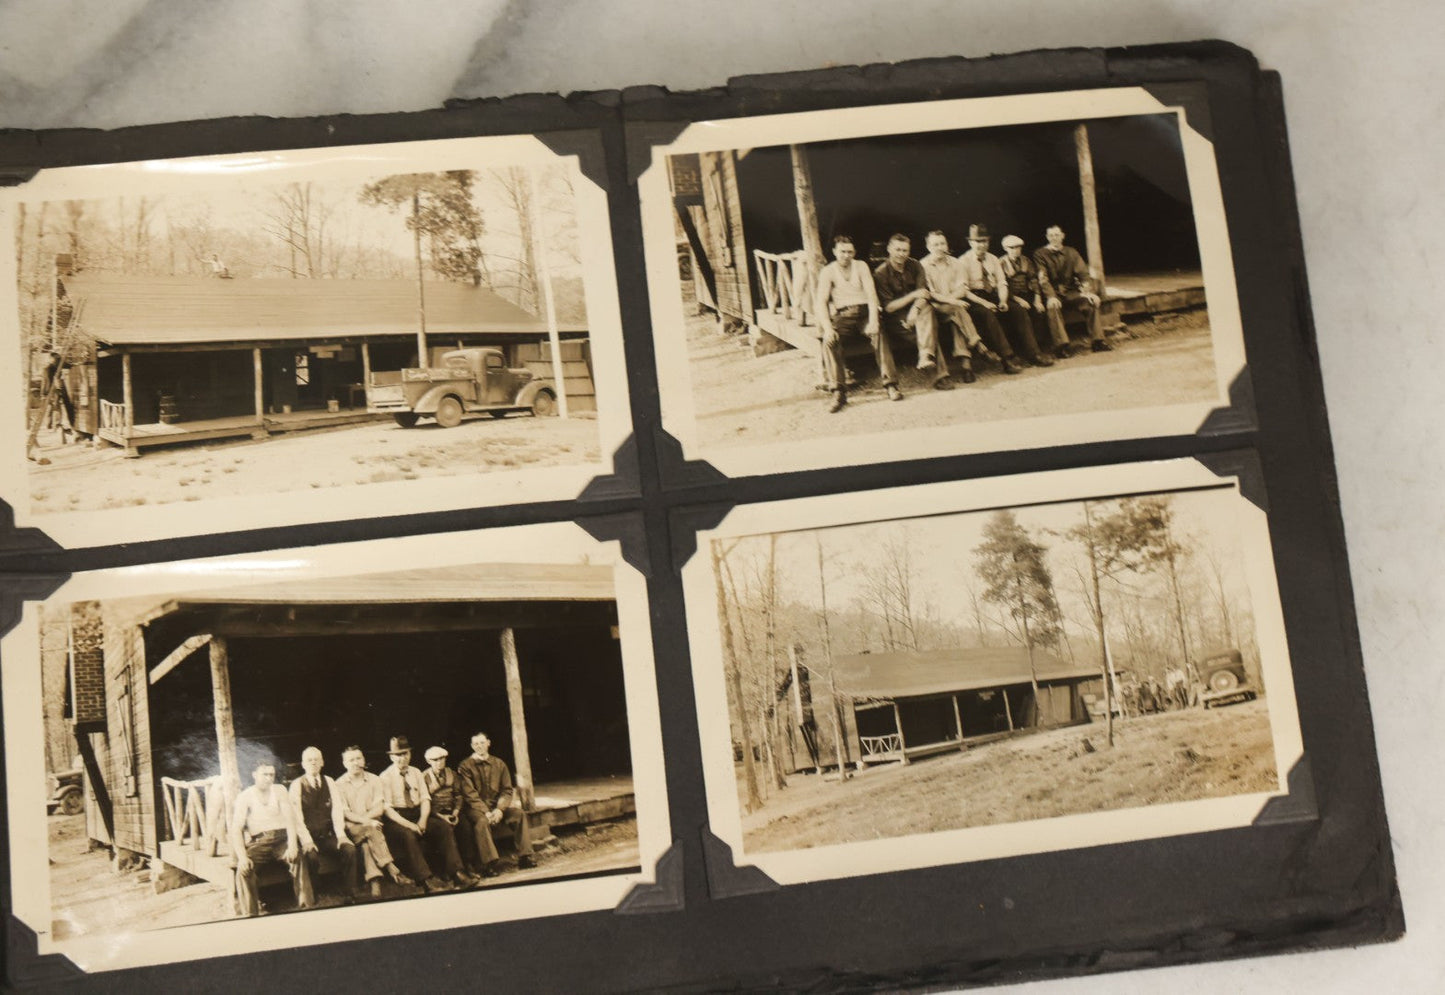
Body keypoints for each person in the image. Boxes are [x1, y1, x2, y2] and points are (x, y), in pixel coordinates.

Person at [813, 235, 901, 412]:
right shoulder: (828, 271)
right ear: (834, 252)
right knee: (829, 341)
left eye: (850, 252)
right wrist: (828, 329)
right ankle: (838, 391)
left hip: (865, 312)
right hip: (843, 315)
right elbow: (821, 302)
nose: (846, 255)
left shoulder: (861, 266)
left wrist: (874, 320)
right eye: (842, 252)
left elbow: (871, 295)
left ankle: (891, 384)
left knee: (879, 335)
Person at [872, 233, 953, 390]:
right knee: (928, 331)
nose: (902, 254)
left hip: (918, 312)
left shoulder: (915, 265)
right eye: (898, 250)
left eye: (905, 250)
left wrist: (915, 310)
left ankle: (925, 356)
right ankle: (939, 375)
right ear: (889, 249)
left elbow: (924, 294)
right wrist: (914, 296)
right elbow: (889, 307)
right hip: (895, 319)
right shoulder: (881, 273)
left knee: (927, 312)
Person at [332, 744, 413, 899]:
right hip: (354, 828)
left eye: (358, 758)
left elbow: (379, 807)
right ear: (344, 763)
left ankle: (375, 882)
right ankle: (392, 869)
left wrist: (367, 821)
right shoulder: (339, 784)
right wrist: (367, 822)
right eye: (351, 760)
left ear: (363, 759)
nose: (355, 762)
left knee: (366, 846)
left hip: (373, 826)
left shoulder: (375, 779)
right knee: (371, 830)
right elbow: (346, 813)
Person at [230, 760, 308, 916]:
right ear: (254, 775)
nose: (269, 778)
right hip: (260, 842)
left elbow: (289, 819)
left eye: (271, 774)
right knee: (244, 869)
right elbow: (236, 830)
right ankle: (250, 915)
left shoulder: (279, 790)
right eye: (264, 774)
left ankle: (306, 906)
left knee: (297, 857)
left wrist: (292, 845)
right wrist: (242, 857)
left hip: (282, 838)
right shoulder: (245, 796)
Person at [457, 732, 536, 877]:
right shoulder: (465, 766)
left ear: (488, 743)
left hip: (497, 807)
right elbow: (470, 794)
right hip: (475, 808)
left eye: (482, 742)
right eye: (475, 744)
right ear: (471, 746)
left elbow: (507, 790)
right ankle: (488, 864)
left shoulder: (499, 764)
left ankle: (525, 856)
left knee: (519, 814)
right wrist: (486, 812)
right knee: (482, 822)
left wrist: (500, 809)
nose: (479, 746)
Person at [289, 746, 359, 906]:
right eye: (309, 760)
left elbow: (337, 809)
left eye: (316, 759)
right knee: (311, 857)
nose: (313, 763)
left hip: (328, 836)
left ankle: (350, 893)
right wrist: (306, 840)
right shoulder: (297, 785)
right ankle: (317, 890)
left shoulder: (329, 781)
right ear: (303, 764)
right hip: (309, 837)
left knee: (349, 849)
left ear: (322, 762)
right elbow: (296, 817)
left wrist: (341, 835)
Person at [378, 736, 450, 894]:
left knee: (442, 827)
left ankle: (456, 872)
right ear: (391, 757)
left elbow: (425, 798)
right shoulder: (385, 777)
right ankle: (425, 880)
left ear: (410, 754)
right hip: (397, 818)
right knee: (409, 835)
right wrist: (411, 825)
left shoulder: (416, 772)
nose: (402, 758)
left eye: (405, 754)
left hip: (417, 813)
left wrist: (423, 820)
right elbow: (387, 809)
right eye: (398, 755)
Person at [920, 230, 992, 384]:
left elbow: (962, 289)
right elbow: (930, 294)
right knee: (958, 310)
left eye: (942, 243)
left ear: (946, 244)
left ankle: (967, 368)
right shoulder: (923, 265)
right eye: (935, 244)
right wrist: (951, 301)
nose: (940, 247)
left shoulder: (956, 263)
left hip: (953, 306)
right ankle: (977, 345)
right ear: (928, 246)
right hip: (934, 308)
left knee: (956, 317)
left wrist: (951, 301)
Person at [957, 224, 1024, 375]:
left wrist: (1002, 300)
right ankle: (1007, 359)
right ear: (971, 243)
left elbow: (1001, 282)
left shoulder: (993, 258)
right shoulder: (963, 261)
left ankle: (1033, 353)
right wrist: (985, 303)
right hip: (975, 298)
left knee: (1018, 310)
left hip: (993, 294)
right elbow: (965, 291)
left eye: (985, 241)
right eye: (978, 241)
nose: (982, 245)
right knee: (988, 314)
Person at [1033, 225, 1109, 353]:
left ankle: (1098, 341)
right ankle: (1061, 346)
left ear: (1062, 236)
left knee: (1090, 303)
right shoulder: (1040, 254)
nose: (1054, 238)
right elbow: (1043, 278)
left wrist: (1088, 292)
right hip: (1053, 292)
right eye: (1051, 235)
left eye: (1057, 235)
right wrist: (1050, 296)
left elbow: (1083, 274)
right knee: (1053, 307)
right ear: (1047, 237)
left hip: (1070, 292)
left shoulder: (1071, 252)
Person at [422, 745, 481, 890]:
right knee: (444, 830)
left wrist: (455, 812)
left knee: (465, 826)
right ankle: (451, 872)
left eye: (442, 759)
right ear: (429, 761)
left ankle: (468, 865)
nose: (439, 762)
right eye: (435, 760)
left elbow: (458, 795)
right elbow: (425, 801)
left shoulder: (452, 774)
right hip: (435, 814)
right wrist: (442, 816)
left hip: (452, 811)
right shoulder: (424, 777)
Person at [998, 235, 1056, 368]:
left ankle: (1041, 347)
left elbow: (1034, 280)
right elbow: (1001, 286)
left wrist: (1037, 298)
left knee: (1040, 311)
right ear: (1005, 248)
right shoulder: (1001, 263)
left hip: (1027, 294)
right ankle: (1033, 354)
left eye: (1018, 247)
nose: (1015, 250)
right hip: (1010, 297)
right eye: (1012, 248)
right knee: (1021, 313)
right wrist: (1017, 300)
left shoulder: (1026, 261)